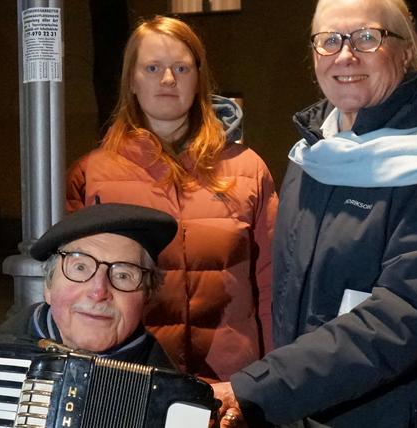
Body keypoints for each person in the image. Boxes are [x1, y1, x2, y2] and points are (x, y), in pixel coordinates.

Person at [212, 0, 417, 426]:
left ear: (405, 52)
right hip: (306, 407)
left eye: (367, 38)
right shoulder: (312, 158)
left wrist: (259, 387)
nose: (345, 55)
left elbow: (401, 318)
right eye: (329, 41)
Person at [66, 16, 278, 383]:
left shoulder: (248, 169)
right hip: (129, 382)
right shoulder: (92, 174)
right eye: (152, 68)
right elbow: (75, 291)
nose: (168, 79)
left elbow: (272, 285)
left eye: (181, 67)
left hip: (228, 386)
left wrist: (271, 381)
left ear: (199, 78)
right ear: (132, 80)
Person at [0, 203, 178, 428]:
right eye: (80, 267)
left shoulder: (173, 396)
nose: (99, 291)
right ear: (48, 286)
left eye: (123, 274)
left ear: (147, 295)